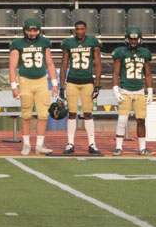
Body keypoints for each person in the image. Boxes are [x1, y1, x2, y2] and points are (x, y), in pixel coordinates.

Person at [9, 18, 57, 155]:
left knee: (43, 115)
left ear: (39, 31)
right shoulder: (17, 44)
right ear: (24, 30)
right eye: (29, 30)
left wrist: (54, 84)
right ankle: (26, 144)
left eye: (34, 30)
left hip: (41, 81)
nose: (32, 33)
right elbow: (12, 67)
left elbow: (50, 64)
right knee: (26, 115)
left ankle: (40, 145)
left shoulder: (44, 42)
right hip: (25, 81)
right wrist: (14, 86)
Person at [59, 20, 101, 155]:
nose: (79, 31)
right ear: (74, 30)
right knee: (72, 113)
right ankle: (70, 143)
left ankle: (92, 143)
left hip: (87, 82)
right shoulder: (69, 43)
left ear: (86, 30)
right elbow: (64, 64)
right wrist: (61, 86)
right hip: (72, 81)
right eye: (77, 29)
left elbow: (98, 64)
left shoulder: (93, 42)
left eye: (82, 29)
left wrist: (97, 85)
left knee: (88, 113)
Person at [110, 26, 153, 156]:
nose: (133, 42)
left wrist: (150, 90)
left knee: (141, 120)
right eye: (131, 39)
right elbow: (116, 73)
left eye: (135, 39)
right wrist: (116, 89)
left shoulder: (145, 53)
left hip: (139, 91)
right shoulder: (121, 52)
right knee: (122, 120)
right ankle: (118, 147)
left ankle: (142, 148)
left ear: (139, 39)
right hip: (125, 91)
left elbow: (148, 74)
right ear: (127, 39)